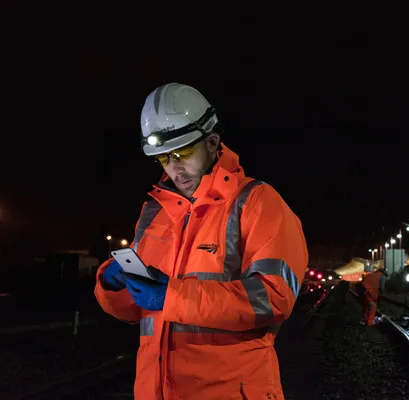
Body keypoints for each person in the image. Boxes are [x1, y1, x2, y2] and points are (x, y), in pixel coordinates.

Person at [94, 83, 308, 399]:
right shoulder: (155, 212)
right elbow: (135, 311)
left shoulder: (257, 202)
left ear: (212, 141)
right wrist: (112, 286)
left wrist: (172, 297)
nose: (174, 169)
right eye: (164, 158)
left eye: (183, 153)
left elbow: (274, 298)